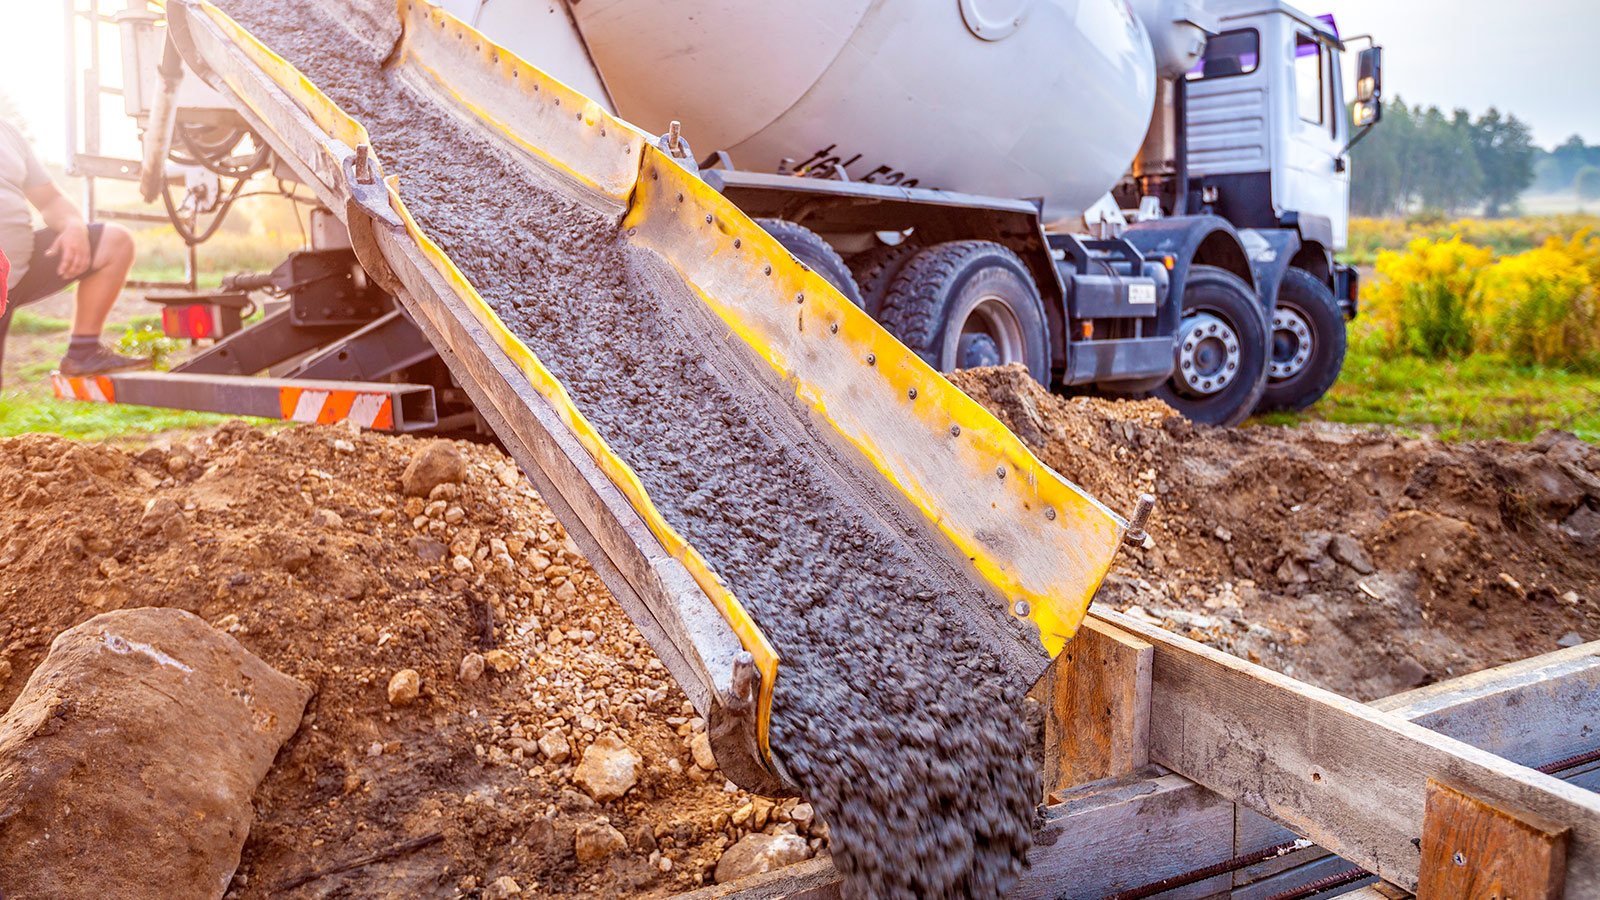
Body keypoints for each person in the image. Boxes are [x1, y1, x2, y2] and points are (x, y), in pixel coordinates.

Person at [1, 120, 145, 375]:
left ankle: (83, 353)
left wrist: (73, 226)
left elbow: (50, 199)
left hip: (15, 273)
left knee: (114, 242)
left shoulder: (7, 133)